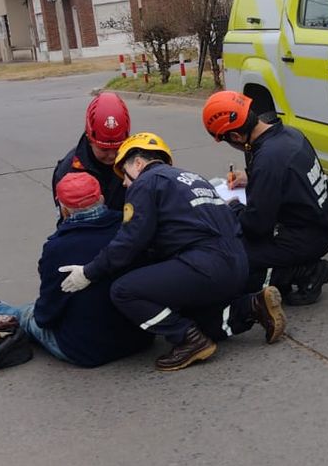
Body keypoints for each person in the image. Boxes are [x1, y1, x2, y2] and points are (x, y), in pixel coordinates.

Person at [58, 132, 287, 372]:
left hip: (204, 264)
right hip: (237, 264)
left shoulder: (146, 182)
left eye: (124, 175)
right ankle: (253, 305)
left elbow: (129, 242)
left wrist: (89, 272)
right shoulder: (193, 178)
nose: (124, 183)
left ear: (138, 163)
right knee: (194, 319)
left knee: (124, 291)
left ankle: (188, 340)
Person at [0, 172, 152, 367]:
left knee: (29, 315)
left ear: (63, 209)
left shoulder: (58, 248)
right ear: (101, 198)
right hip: (140, 338)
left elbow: (46, 315)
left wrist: (36, 314)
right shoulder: (130, 230)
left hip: (86, 350)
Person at [202, 91, 328, 305]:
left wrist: (232, 208)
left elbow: (256, 227)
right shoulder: (290, 135)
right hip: (316, 225)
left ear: (236, 136)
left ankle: (306, 271)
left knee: (229, 261)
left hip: (302, 238)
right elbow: (286, 174)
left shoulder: (268, 160)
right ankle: (290, 269)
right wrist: (252, 176)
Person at [51, 92, 130, 211]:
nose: (112, 155)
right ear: (89, 140)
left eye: (118, 147)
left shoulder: (137, 165)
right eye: (104, 149)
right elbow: (65, 223)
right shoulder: (68, 170)